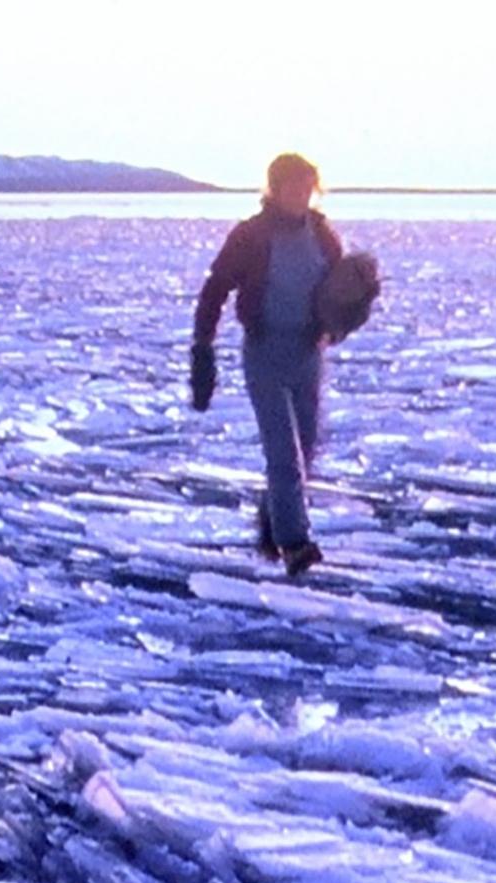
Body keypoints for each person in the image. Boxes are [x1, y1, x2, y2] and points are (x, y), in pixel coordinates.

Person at [190, 153, 342, 577]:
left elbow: (339, 291)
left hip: (307, 353)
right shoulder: (251, 236)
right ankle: (295, 544)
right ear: (274, 189)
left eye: (306, 188)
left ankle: (271, 526)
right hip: (265, 352)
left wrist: (346, 314)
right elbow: (215, 288)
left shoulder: (323, 234)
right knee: (283, 453)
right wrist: (203, 348)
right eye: (292, 187)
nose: (300, 195)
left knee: (306, 449)